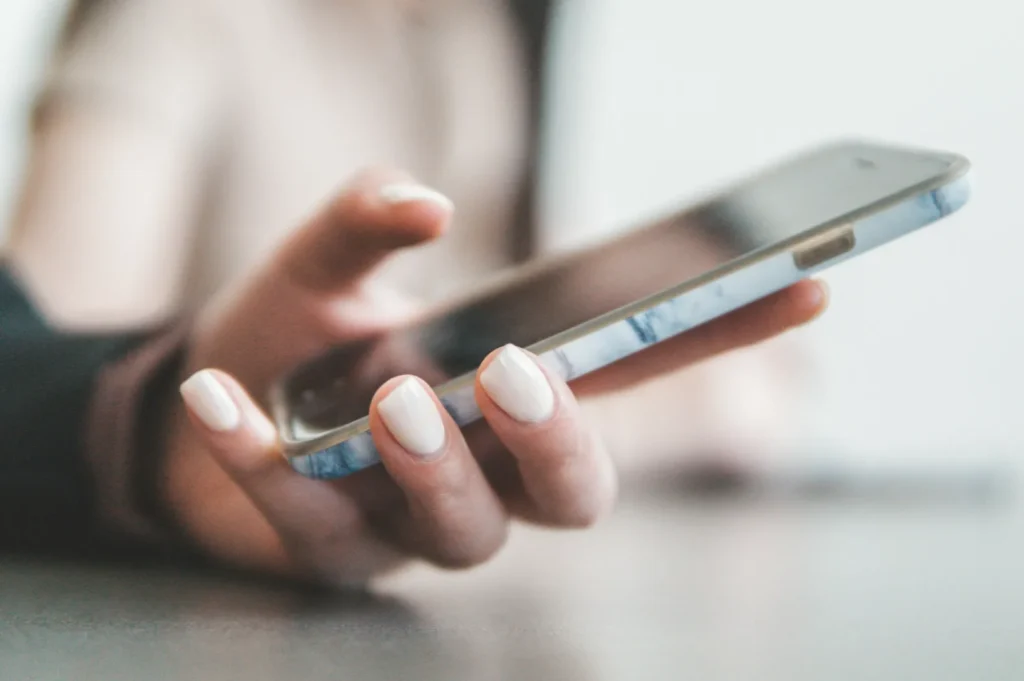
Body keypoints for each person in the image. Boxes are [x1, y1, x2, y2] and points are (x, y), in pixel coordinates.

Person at [0, 0, 827, 583]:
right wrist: (149, 432)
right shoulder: (172, 17)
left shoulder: (479, 30)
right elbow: (44, 350)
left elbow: (506, 291)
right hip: (200, 568)